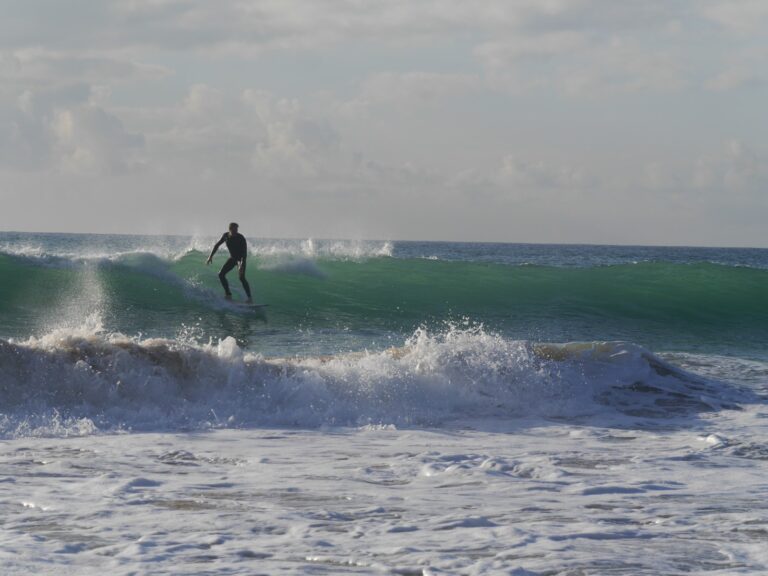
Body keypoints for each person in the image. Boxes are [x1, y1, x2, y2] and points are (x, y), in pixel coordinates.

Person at [206, 222, 252, 302]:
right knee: (221, 274)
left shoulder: (241, 238)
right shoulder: (226, 236)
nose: (236, 231)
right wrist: (210, 256)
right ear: (230, 229)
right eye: (234, 230)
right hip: (232, 258)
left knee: (241, 278)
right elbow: (217, 245)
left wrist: (241, 265)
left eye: (237, 229)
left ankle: (249, 298)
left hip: (241, 259)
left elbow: (244, 254)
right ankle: (228, 294)